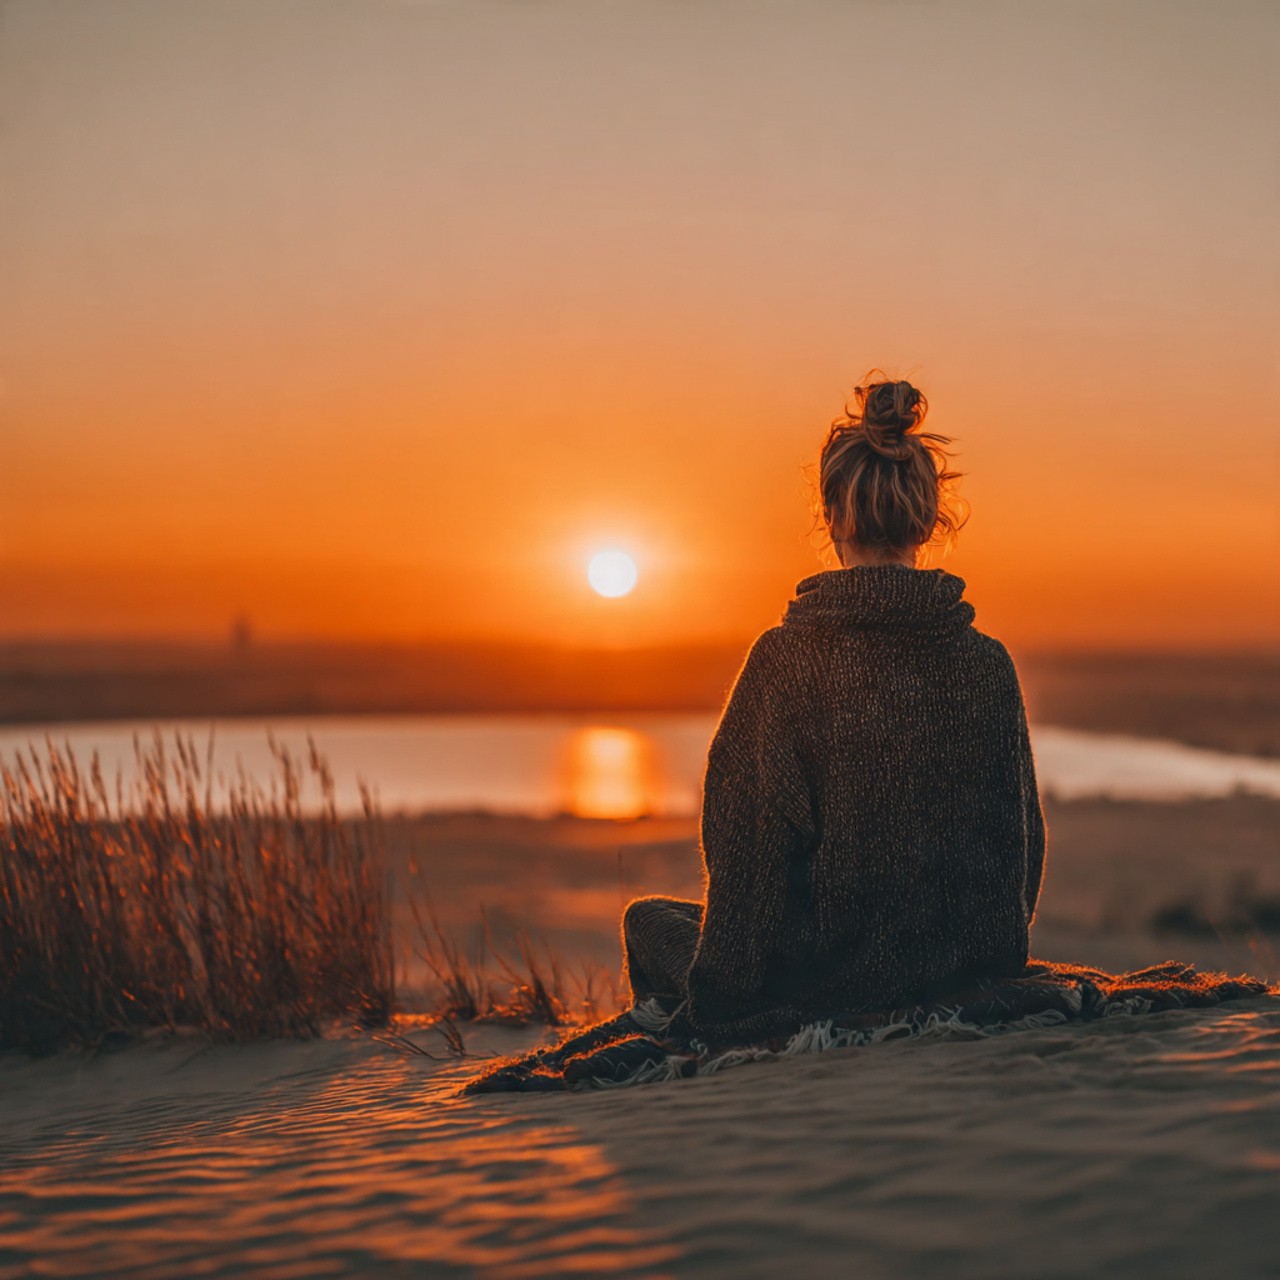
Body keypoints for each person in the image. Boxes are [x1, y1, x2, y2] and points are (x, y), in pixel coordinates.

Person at [622, 374, 1047, 1042]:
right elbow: (1021, 843)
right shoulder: (987, 662)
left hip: (826, 981)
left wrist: (722, 1000)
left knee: (650, 921)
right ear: (929, 518)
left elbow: (748, 856)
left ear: (830, 514)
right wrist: (981, 958)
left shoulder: (787, 662)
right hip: (970, 969)